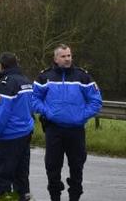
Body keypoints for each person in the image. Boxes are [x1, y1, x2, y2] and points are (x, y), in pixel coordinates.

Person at [32, 44, 102, 201]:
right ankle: (55, 197)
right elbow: (34, 98)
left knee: (77, 167)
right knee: (52, 167)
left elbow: (96, 101)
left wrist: (81, 116)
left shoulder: (83, 77)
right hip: (53, 130)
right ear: (56, 58)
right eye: (63, 56)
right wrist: (47, 112)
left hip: (76, 131)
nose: (67, 59)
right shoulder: (45, 77)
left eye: (69, 55)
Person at [0, 52, 35, 200]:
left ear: (1, 66)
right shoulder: (25, 81)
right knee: (21, 174)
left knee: (2, 175)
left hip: (9, 136)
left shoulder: (5, 85)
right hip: (25, 134)